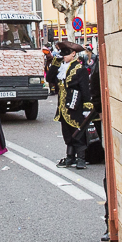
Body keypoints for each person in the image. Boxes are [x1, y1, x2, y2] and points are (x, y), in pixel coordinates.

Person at [46, 40, 93, 170]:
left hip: (75, 105)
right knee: (67, 133)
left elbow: (85, 90)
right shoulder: (60, 67)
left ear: (73, 54)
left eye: (66, 54)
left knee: (77, 131)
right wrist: (55, 62)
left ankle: (81, 158)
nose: (64, 56)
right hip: (63, 107)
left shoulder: (80, 69)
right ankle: (70, 156)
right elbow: (49, 78)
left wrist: (86, 108)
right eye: (62, 54)